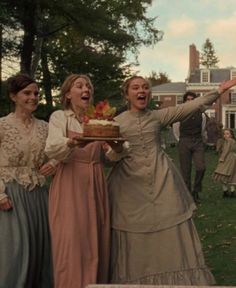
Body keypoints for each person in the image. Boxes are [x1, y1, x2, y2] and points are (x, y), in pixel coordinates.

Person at [106, 75, 236, 285]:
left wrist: (220, 89)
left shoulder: (158, 116)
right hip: (128, 186)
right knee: (135, 232)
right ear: (126, 94)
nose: (142, 91)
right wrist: (117, 150)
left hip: (162, 180)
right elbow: (108, 159)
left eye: (146, 87)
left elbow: (193, 106)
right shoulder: (115, 123)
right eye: (136, 87)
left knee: (169, 225)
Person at [44, 74, 110, 288]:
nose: (86, 89)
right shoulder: (60, 117)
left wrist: (116, 148)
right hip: (70, 181)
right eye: (79, 86)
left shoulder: (99, 118)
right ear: (67, 94)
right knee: (71, 240)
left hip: (96, 180)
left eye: (88, 86)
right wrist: (73, 142)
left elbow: (111, 153)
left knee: (96, 238)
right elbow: (53, 147)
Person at [0, 74, 56, 288]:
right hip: (11, 196)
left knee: (40, 252)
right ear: (13, 96)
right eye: (27, 93)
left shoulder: (45, 126)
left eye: (36, 93)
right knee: (13, 254)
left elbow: (59, 151)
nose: (33, 97)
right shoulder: (2, 125)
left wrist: (54, 163)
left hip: (40, 196)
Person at [172, 91, 208, 202]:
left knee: (201, 167)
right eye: (188, 99)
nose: (190, 101)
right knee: (185, 171)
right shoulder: (180, 114)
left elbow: (202, 129)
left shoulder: (201, 114)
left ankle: (196, 191)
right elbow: (176, 130)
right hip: (184, 141)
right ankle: (187, 195)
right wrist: (181, 141)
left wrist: (201, 140)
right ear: (184, 101)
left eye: (192, 99)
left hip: (197, 141)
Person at [213, 128, 236, 198]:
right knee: (228, 175)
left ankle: (230, 191)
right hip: (230, 158)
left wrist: (222, 158)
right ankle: (227, 191)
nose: (225, 135)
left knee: (224, 173)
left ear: (231, 135)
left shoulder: (230, 141)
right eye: (224, 134)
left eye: (227, 134)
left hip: (228, 159)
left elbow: (226, 150)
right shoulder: (226, 141)